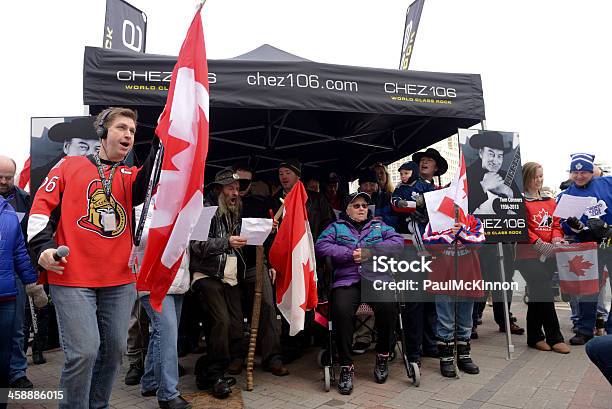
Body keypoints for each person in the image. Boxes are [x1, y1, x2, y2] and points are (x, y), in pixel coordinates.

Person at [27, 107, 159, 409]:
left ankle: (97, 405)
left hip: (119, 280)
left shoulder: (131, 175)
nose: (128, 135)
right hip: (72, 276)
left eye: (132, 131)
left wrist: (163, 138)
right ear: (102, 132)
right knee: (84, 352)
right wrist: (43, 248)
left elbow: (151, 176)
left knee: (113, 352)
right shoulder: (68, 165)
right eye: (121, 128)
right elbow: (39, 209)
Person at [315, 192, 403, 395]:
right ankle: (346, 366)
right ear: (347, 209)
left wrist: (370, 251)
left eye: (365, 205)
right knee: (341, 310)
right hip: (348, 280)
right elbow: (321, 246)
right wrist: (349, 254)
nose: (362, 208)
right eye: (356, 205)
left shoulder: (379, 226)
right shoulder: (336, 227)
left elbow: (397, 242)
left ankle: (382, 355)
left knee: (389, 305)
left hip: (377, 279)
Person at [190, 168, 246, 399]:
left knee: (234, 325)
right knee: (221, 322)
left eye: (237, 188)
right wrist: (226, 242)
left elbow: (244, 240)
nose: (235, 192)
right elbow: (196, 245)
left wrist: (265, 231)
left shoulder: (236, 212)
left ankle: (206, 368)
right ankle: (214, 375)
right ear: (218, 190)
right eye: (230, 188)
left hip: (229, 276)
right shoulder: (205, 211)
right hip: (207, 275)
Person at [133, 199, 192, 409]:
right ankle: (168, 393)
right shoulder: (145, 201)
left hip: (177, 278)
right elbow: (140, 239)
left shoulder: (184, 202)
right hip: (154, 280)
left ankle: (150, 381)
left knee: (163, 333)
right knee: (166, 333)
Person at [233, 164, 289, 376]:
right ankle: (236, 356)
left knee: (267, 307)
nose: (240, 187)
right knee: (234, 314)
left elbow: (271, 236)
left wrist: (271, 263)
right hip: (229, 267)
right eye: (238, 182)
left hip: (256, 264)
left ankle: (272, 357)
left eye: (246, 182)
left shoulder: (259, 203)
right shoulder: (221, 204)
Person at [557, 153, 612, 345]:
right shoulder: (566, 195)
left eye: (584, 172)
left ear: (592, 172)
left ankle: (610, 329)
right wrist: (573, 227)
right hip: (588, 247)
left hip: (611, 241)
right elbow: (561, 224)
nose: (579, 176)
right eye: (575, 172)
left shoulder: (607, 183)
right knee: (588, 290)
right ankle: (584, 329)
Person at [515, 162, 570, 354]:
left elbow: (556, 223)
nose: (539, 180)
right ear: (526, 178)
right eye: (535, 176)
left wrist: (556, 239)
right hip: (527, 255)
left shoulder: (549, 200)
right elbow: (521, 227)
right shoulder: (519, 201)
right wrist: (538, 243)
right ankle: (555, 337)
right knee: (545, 292)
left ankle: (535, 337)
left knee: (538, 294)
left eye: (541, 176)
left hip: (550, 254)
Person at [0, 187, 47, 404]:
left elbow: (19, 251)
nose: (4, 181)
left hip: (7, 294)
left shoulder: (9, 215)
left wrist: (33, 284)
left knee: (6, 347)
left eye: (8, 177)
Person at [423, 215, 485, 377]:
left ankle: (464, 356)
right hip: (443, 276)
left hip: (468, 276)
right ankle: (446, 358)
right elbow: (427, 242)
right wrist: (450, 235)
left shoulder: (474, 221)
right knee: (445, 320)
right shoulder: (436, 219)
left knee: (466, 320)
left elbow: (478, 241)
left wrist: (462, 232)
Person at [30, 117, 102, 193]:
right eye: (82, 147)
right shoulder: (39, 178)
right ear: (66, 147)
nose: (90, 154)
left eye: (97, 149)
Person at [465, 131, 520, 214]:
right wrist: (483, 186)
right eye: (491, 154)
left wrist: (510, 193)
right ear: (481, 153)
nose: (495, 161)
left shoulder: (505, 176)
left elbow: (523, 213)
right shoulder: (466, 175)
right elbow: (459, 211)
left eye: (499, 156)